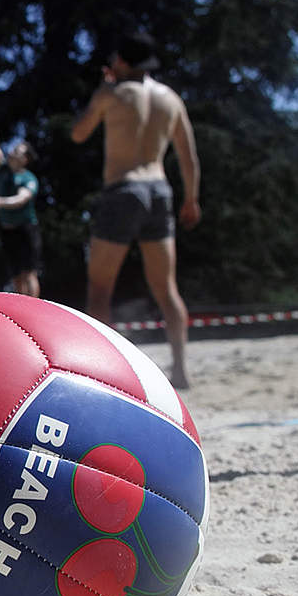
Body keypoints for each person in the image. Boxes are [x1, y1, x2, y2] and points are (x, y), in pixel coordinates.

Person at [70, 31, 200, 388]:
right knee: (166, 288)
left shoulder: (112, 93)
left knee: (99, 290)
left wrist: (101, 91)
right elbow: (188, 157)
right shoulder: (170, 99)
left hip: (123, 190)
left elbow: (78, 134)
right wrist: (191, 198)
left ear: (122, 63)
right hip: (159, 190)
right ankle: (181, 369)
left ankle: (103, 373)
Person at [0, 104, 41, 297]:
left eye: (19, 151)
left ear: (26, 160)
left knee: (30, 273)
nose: (13, 151)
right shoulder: (2, 169)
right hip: (7, 230)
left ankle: (34, 311)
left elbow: (22, 199)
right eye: (15, 149)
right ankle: (21, 312)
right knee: (16, 276)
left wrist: (0, 201)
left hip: (26, 228)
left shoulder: (28, 178)